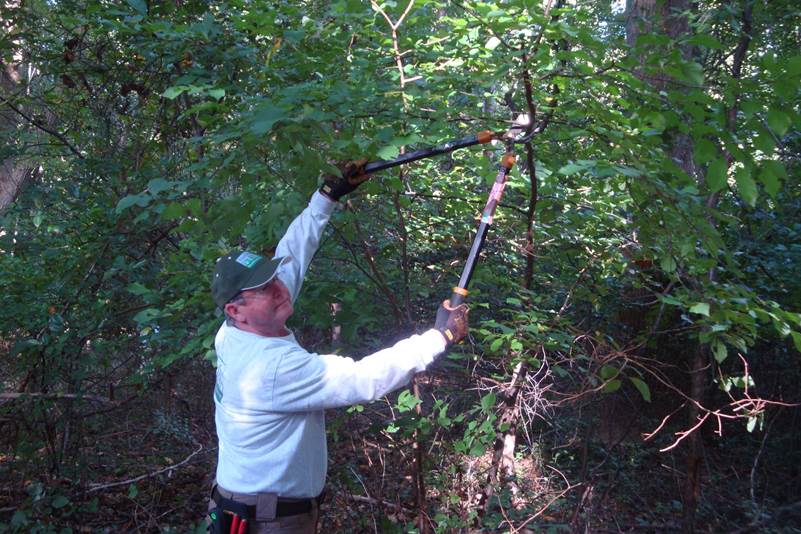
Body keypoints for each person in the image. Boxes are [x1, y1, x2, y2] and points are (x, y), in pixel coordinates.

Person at [207, 163, 469, 533]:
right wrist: (437, 339)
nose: (279, 288)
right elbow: (363, 379)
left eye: (272, 278)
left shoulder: (233, 332)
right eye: (264, 289)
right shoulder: (273, 367)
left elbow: (291, 258)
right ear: (237, 309)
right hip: (267, 520)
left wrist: (327, 198)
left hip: (245, 506)